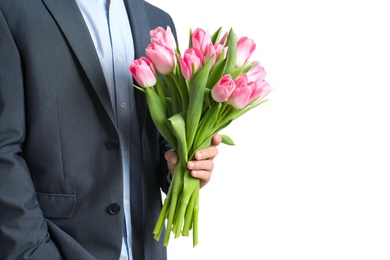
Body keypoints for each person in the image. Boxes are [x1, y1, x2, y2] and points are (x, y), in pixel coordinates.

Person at [0, 0, 221, 259]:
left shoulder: (157, 21)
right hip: (61, 247)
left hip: (146, 248)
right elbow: (4, 149)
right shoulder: (13, 11)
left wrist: (183, 167)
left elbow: (160, 141)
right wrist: (35, 252)